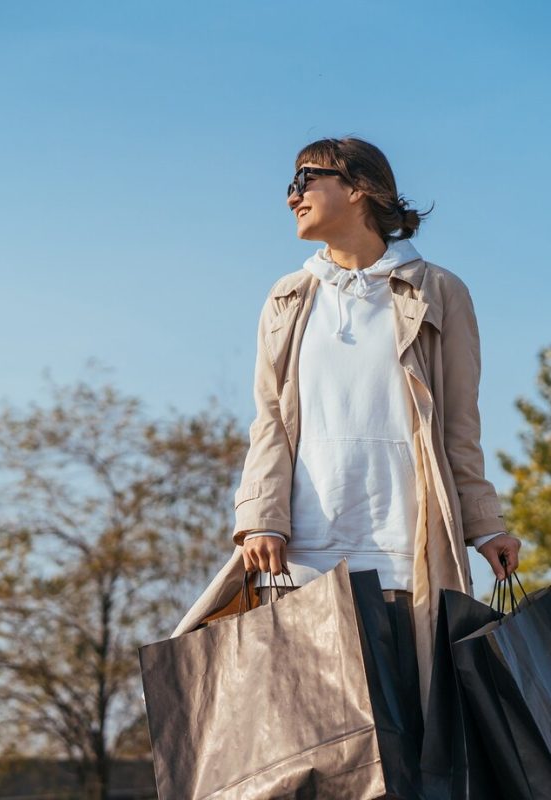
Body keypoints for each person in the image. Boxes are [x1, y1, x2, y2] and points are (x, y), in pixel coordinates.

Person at [171, 135, 521, 720]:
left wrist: (485, 526)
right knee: (315, 741)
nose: (292, 197)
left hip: (406, 550)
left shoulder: (438, 291)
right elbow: (271, 424)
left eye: (305, 178)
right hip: (303, 554)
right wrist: (260, 518)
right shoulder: (287, 297)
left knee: (409, 740)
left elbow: (460, 424)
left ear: (358, 188)